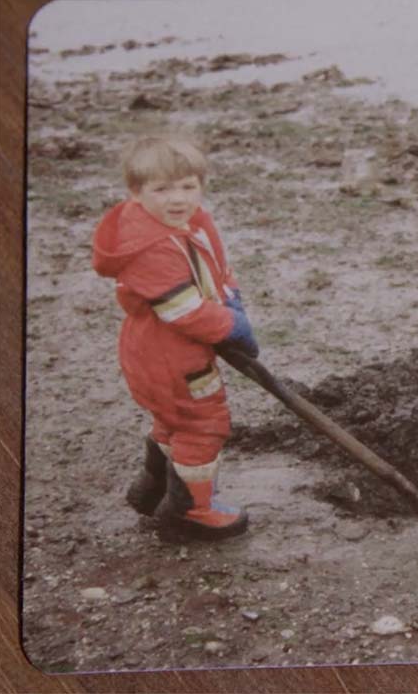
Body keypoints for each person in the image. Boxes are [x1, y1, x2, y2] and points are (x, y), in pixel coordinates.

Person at [92, 134, 259, 540]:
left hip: (159, 353)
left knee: (172, 421)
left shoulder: (188, 222)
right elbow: (184, 311)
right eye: (162, 189)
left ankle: (155, 490)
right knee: (202, 425)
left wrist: (230, 299)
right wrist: (232, 327)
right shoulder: (150, 248)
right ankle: (189, 512)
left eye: (188, 186)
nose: (177, 198)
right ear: (137, 192)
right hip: (170, 357)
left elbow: (216, 268)